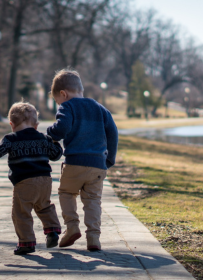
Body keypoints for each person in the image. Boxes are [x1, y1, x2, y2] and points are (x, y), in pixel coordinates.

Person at [0, 101, 63, 255]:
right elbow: (56, 155)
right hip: (45, 180)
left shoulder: (11, 139)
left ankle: (27, 243)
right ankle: (52, 230)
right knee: (44, 206)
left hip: (24, 182)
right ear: (36, 125)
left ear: (11, 124)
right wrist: (56, 142)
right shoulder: (42, 138)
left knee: (21, 212)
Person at [47, 69, 118, 251]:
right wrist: (109, 159)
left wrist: (50, 133)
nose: (59, 104)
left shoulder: (67, 106)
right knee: (93, 200)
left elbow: (61, 128)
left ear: (63, 94)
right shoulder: (100, 108)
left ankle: (72, 227)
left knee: (66, 193)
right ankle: (93, 237)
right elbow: (113, 132)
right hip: (98, 165)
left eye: (57, 101)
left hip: (75, 162)